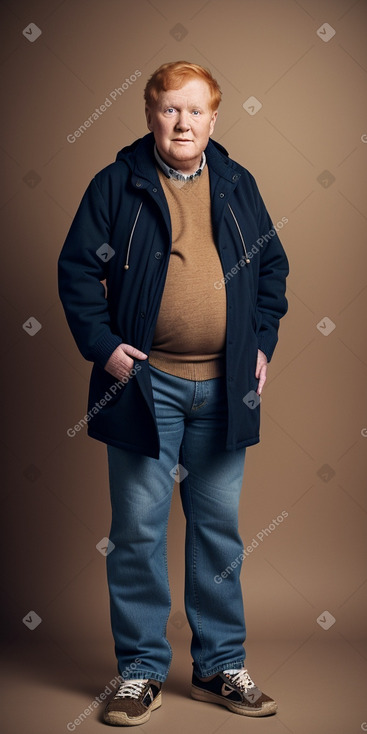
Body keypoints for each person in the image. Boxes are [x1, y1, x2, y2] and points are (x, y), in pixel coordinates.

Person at [58, 60, 289, 727]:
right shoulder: (116, 184)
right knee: (136, 532)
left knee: (218, 532)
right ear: (150, 114)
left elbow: (271, 268)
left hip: (224, 388)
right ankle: (138, 672)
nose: (182, 122)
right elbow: (76, 270)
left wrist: (261, 344)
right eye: (169, 109)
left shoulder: (239, 184)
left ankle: (219, 665)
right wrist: (103, 349)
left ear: (214, 118)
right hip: (141, 387)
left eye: (194, 111)